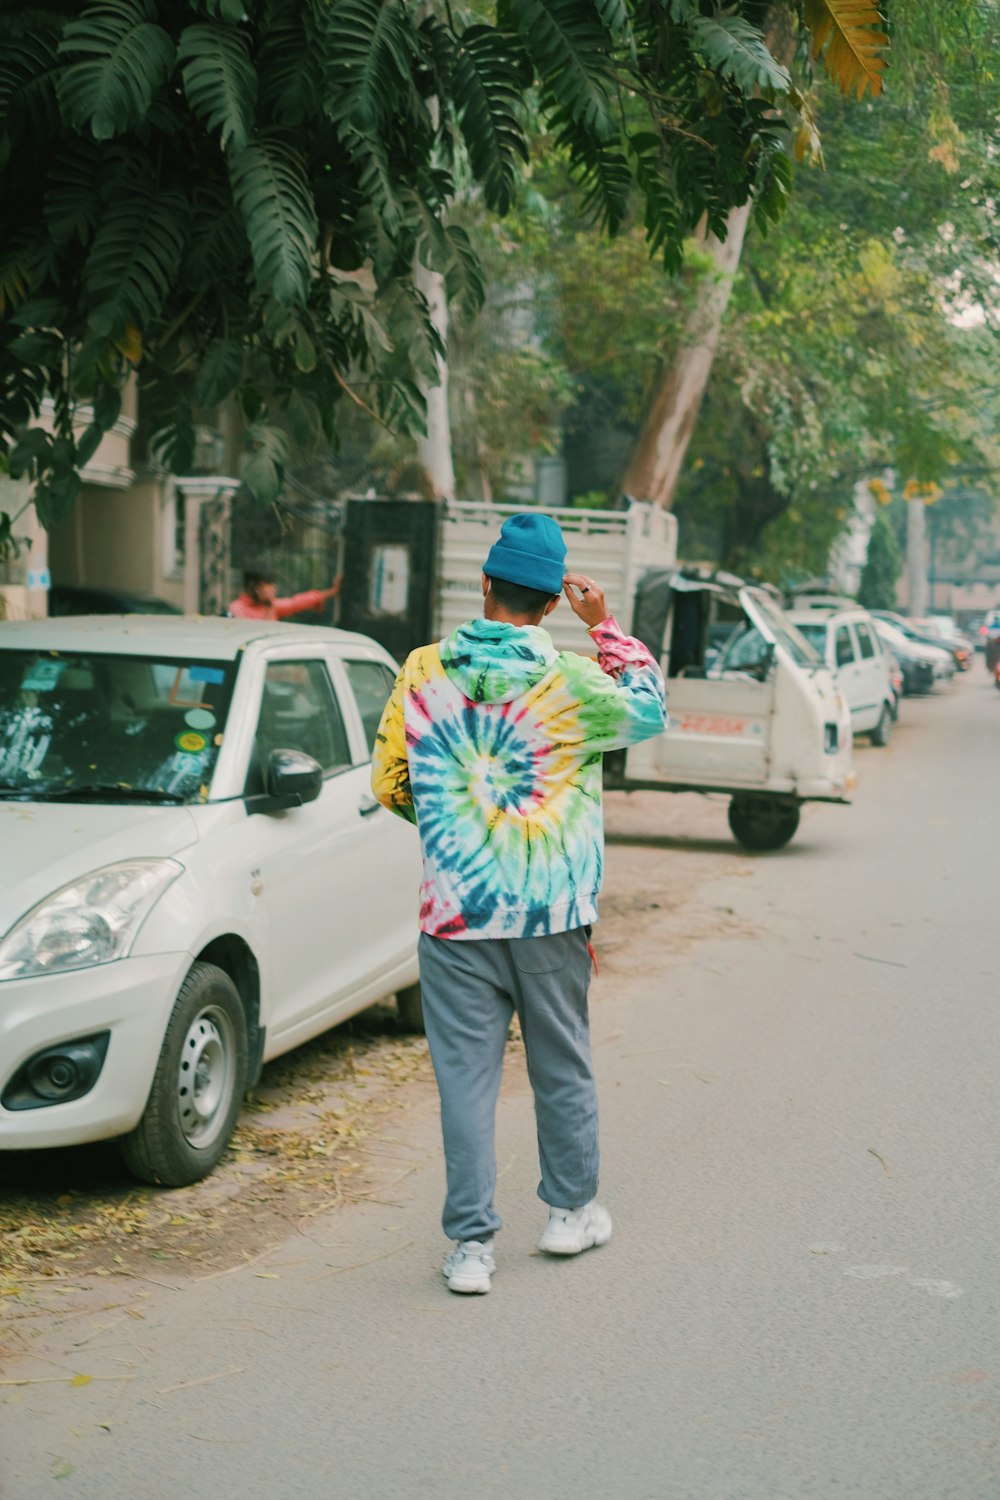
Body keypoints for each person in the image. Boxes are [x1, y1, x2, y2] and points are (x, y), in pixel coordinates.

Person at [371, 512, 667, 1295]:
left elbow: (391, 783)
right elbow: (649, 711)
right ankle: (570, 1215)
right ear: (549, 602)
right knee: (560, 1064)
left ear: (485, 586)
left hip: (454, 915)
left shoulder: (422, 671)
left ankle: (471, 1249)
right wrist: (606, 631)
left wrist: (456, 822)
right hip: (552, 914)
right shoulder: (572, 680)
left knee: (465, 1081)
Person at [227, 564, 341, 621]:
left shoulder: (268, 605)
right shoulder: (237, 609)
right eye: (269, 586)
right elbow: (261, 636)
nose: (274, 589)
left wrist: (331, 592)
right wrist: (270, 606)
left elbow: (296, 602)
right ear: (256, 587)